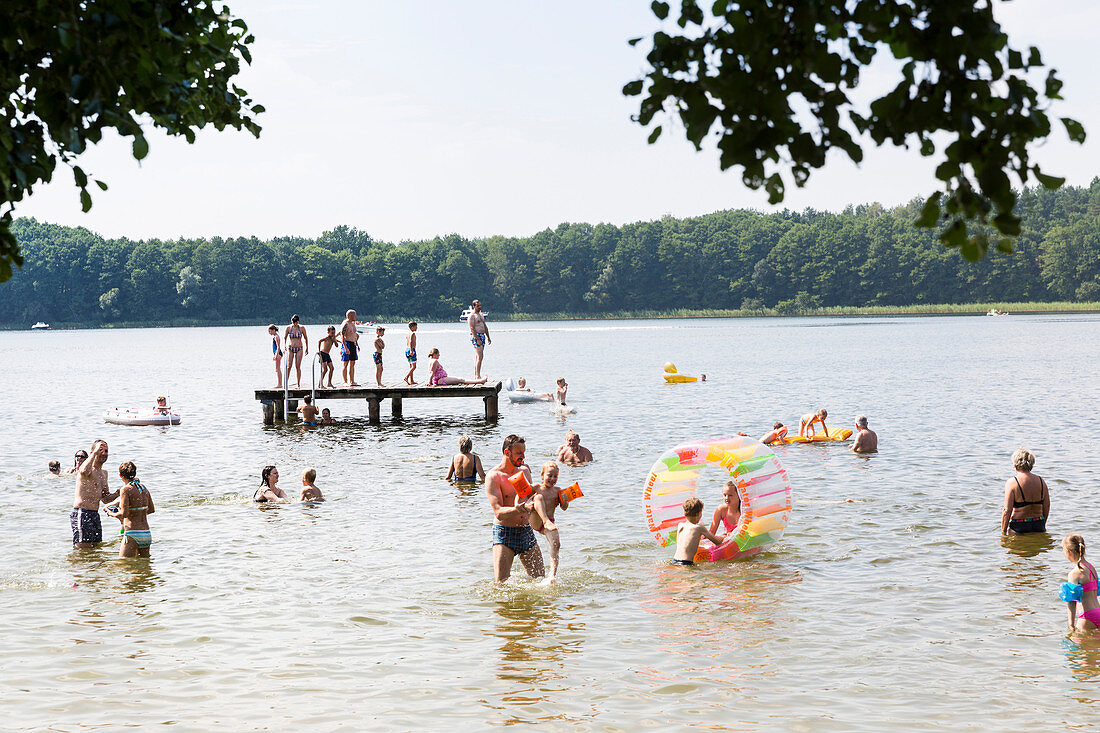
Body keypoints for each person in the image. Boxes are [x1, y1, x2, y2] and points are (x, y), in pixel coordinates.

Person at [485, 434, 545, 583]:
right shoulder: (494, 476)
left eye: (524, 452)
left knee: (541, 582)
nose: (523, 457)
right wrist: (519, 509)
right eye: (519, 453)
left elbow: (533, 500)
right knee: (500, 586)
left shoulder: (524, 471)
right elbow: (498, 512)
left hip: (525, 531)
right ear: (507, 453)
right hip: (504, 533)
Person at [72, 440, 119, 549]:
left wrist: (118, 493)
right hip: (82, 513)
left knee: (97, 549)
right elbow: (83, 471)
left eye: (106, 451)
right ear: (93, 452)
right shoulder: (88, 469)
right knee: (83, 550)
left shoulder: (104, 473)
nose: (103, 453)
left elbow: (105, 499)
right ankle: (79, 565)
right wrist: (95, 452)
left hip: (95, 514)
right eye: (100, 450)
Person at [528, 461, 570, 581]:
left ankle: (552, 575)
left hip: (549, 523)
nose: (552, 479)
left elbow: (564, 508)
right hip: (536, 519)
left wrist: (565, 501)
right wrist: (526, 504)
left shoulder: (557, 491)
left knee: (556, 544)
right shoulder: (536, 487)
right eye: (549, 475)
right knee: (539, 497)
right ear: (542, 475)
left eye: (555, 476)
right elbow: (520, 496)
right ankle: (545, 520)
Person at [105, 461, 155, 558]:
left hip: (133, 533)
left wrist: (110, 513)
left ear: (120, 476)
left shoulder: (125, 489)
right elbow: (151, 509)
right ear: (135, 473)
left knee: (124, 565)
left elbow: (124, 514)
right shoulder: (143, 488)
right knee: (145, 567)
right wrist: (138, 513)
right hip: (146, 533)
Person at [1001, 448, 1049, 535]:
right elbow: (1047, 506)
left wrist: (1003, 532)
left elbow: (1006, 510)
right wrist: (1042, 524)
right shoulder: (1041, 481)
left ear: (1015, 464)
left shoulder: (1012, 482)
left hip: (1019, 525)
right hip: (1038, 524)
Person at [672, 497, 726, 566]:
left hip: (674, 561)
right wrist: (723, 536)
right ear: (699, 514)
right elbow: (717, 542)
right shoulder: (699, 528)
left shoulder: (680, 525)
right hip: (686, 563)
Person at [1062, 534, 1100, 632]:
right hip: (1098, 611)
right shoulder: (1091, 568)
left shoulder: (1074, 573)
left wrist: (1071, 625)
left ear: (1068, 552)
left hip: (1087, 616)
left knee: (1079, 645)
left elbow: (1071, 601)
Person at [468, 299, 491, 379]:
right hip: (476, 336)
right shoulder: (472, 315)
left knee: (479, 356)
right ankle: (477, 375)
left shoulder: (481, 315)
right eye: (478, 306)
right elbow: (472, 328)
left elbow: (485, 326)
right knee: (480, 355)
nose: (479, 307)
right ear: (474, 306)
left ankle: (476, 374)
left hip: (482, 336)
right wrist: (477, 338)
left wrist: (488, 337)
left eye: (480, 305)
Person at [284, 315, 309, 388]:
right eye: (293, 322)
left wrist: (307, 348)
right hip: (290, 347)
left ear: (298, 322)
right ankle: (286, 383)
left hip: (299, 348)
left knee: (298, 366)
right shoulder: (288, 328)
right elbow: (284, 338)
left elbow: (306, 338)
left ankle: (298, 384)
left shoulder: (301, 328)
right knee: (289, 366)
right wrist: (284, 346)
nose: (294, 324)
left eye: (296, 322)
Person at [339, 309, 360, 387]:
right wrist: (345, 347)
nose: (356, 316)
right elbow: (342, 335)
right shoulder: (345, 324)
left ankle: (352, 381)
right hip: (347, 343)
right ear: (350, 316)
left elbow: (354, 334)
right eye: (354, 315)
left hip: (353, 344)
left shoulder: (353, 324)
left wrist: (357, 345)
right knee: (345, 363)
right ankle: (345, 381)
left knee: (352, 363)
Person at [267, 324, 284, 388]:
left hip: (278, 354)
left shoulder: (276, 337)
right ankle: (279, 384)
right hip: (277, 353)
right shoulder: (275, 336)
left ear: (273, 330)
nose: (269, 333)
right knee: (277, 369)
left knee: (278, 369)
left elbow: (278, 346)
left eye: (270, 331)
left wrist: (276, 355)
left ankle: (279, 384)